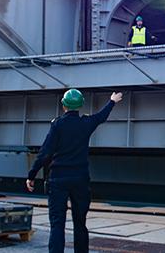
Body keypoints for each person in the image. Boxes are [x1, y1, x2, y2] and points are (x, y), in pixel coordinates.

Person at [27, 88, 124, 253]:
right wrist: (112, 101)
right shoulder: (85, 123)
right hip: (80, 179)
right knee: (80, 223)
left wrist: (31, 175)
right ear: (80, 106)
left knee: (57, 224)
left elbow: (45, 153)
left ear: (64, 105)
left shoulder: (57, 125)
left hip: (58, 180)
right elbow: (101, 117)